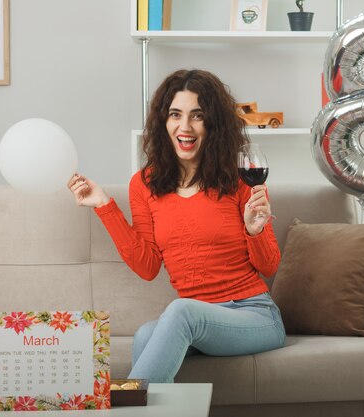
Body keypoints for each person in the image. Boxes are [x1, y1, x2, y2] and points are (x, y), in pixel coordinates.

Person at [67, 69, 285, 383]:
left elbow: (268, 264)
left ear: (214, 124)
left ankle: (121, 409)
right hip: (198, 317)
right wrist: (104, 205)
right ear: (163, 122)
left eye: (197, 116)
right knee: (145, 335)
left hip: (254, 314)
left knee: (181, 311)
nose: (185, 127)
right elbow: (147, 266)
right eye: (175, 114)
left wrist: (256, 230)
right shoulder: (145, 185)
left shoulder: (238, 178)